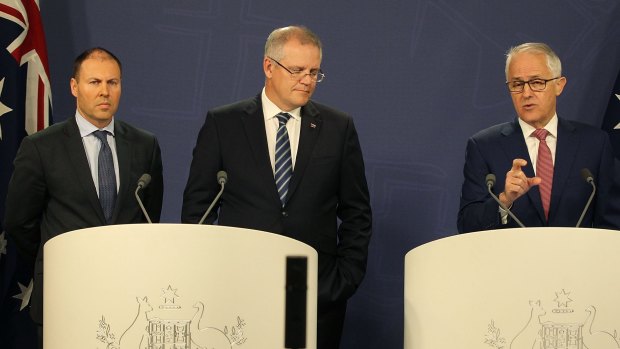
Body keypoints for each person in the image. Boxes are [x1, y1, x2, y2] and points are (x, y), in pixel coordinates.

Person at [182, 26, 372, 348]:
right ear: (268, 67)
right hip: (238, 287)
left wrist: (344, 279)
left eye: (314, 72)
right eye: (297, 70)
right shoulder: (224, 124)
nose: (307, 80)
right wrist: (210, 279)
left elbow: (357, 212)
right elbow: (197, 213)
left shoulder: (338, 128)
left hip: (314, 290)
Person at [3, 47, 164, 334]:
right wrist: (55, 257)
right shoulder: (41, 147)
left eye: (112, 83)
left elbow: (148, 216)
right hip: (65, 291)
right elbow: (19, 222)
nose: (105, 91)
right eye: (95, 82)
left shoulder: (145, 145)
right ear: (74, 87)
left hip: (128, 296)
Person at [458, 42, 618, 233]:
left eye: (536, 82)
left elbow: (612, 224)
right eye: (517, 84)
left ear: (559, 85)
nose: (526, 93)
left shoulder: (594, 143)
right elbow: (467, 225)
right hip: (511, 261)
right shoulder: (484, 146)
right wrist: (504, 201)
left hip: (578, 261)